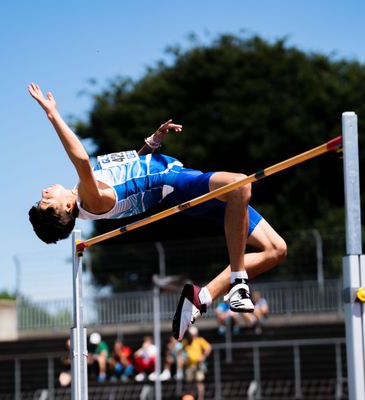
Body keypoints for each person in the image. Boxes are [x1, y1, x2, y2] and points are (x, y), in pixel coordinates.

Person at [26, 83, 287, 341]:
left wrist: (151, 144)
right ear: (68, 207)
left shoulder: (86, 193)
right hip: (179, 184)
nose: (44, 193)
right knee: (239, 185)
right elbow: (81, 159)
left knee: (276, 249)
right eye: (47, 202)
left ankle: (202, 297)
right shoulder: (89, 200)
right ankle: (239, 283)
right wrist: (52, 114)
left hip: (180, 180)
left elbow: (131, 175)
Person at [182, 326, 211, 400]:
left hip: (199, 365)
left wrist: (203, 357)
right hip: (189, 365)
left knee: (199, 382)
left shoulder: (200, 340)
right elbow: (180, 349)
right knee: (189, 383)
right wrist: (183, 358)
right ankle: (191, 397)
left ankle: (200, 398)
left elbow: (208, 348)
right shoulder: (186, 341)